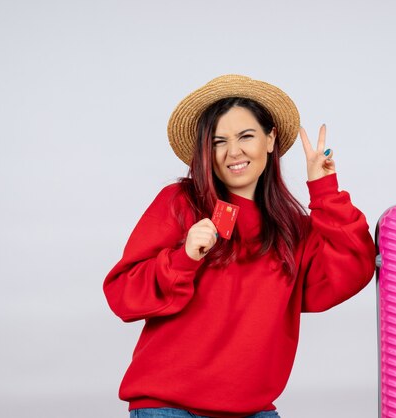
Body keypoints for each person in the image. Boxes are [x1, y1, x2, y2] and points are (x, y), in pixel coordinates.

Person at [103, 74, 376, 418]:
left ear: (270, 139)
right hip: (168, 409)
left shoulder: (292, 229)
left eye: (246, 135)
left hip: (254, 411)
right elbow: (122, 295)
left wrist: (324, 190)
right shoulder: (181, 202)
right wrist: (182, 258)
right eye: (218, 141)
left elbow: (353, 268)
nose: (233, 152)